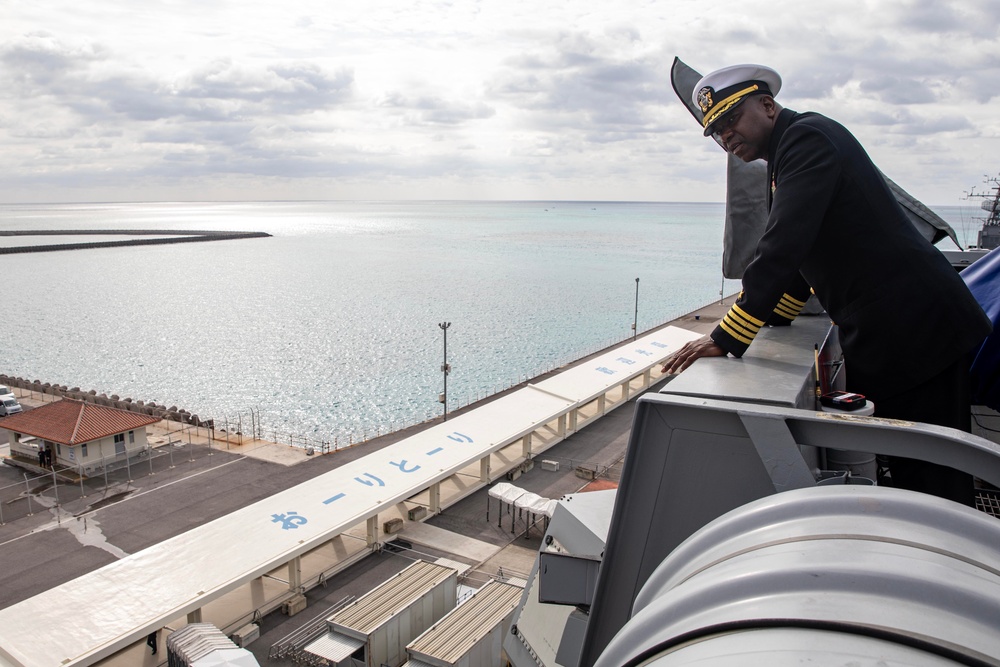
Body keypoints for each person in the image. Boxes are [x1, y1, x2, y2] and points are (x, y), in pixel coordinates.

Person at [662, 63, 992, 505]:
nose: (726, 137)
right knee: (912, 469)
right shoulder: (787, 153)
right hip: (899, 334)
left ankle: (954, 565)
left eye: (730, 120)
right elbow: (804, 254)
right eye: (716, 132)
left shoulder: (806, 139)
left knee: (933, 479)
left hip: (915, 332)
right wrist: (778, 315)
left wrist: (730, 334)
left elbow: (783, 243)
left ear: (767, 105)